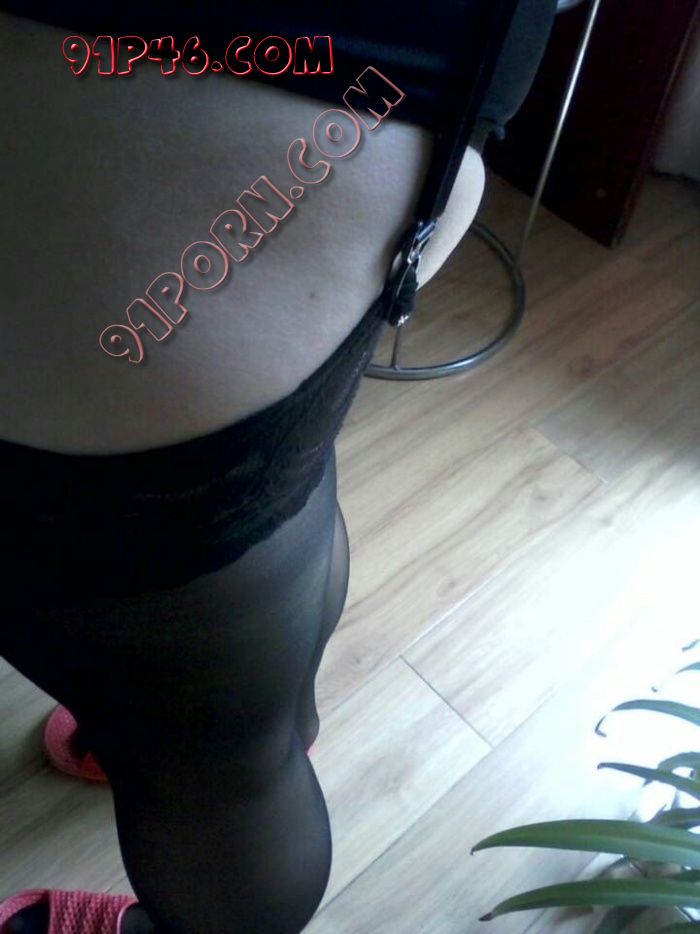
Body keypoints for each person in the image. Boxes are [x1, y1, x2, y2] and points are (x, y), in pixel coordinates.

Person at [0, 2, 557, 931]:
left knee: (208, 771)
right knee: (265, 488)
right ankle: (246, 721)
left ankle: (205, 742)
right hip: (411, 107)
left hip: (155, 114)